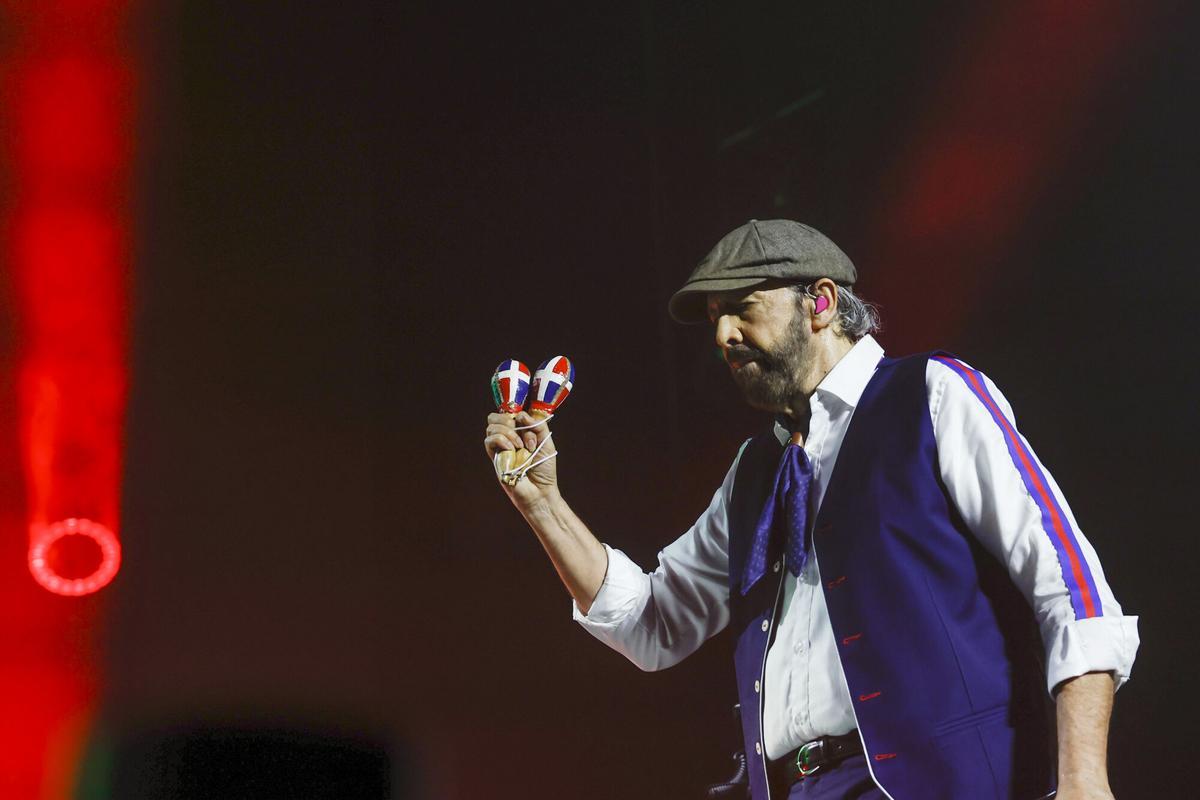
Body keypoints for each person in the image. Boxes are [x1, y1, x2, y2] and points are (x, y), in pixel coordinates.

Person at [482, 220, 1139, 800]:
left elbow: (1072, 589)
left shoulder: (933, 396)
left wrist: (1085, 780)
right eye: (714, 317)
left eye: (742, 309)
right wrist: (544, 504)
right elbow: (653, 622)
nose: (723, 335)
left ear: (820, 303)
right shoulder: (755, 473)